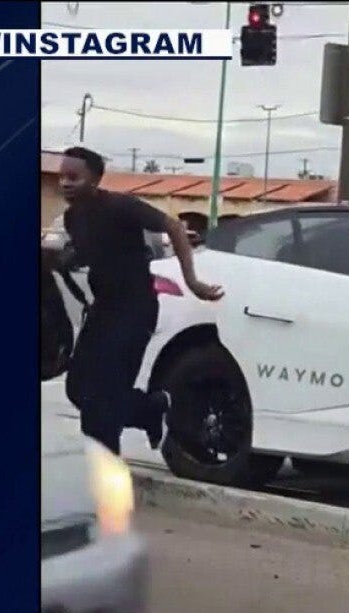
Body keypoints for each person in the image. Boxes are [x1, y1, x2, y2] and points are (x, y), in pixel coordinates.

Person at [50, 146, 224, 455]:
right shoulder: (72, 218)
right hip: (103, 309)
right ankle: (150, 408)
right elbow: (88, 252)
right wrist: (62, 258)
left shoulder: (121, 206)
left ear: (95, 179)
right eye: (62, 176)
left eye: (73, 177)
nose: (65, 183)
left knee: (104, 397)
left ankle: (105, 468)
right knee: (78, 389)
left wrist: (192, 280)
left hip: (135, 309)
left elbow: (173, 226)